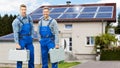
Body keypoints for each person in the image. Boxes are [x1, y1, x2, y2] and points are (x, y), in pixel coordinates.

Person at [12, 4, 34, 68]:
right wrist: (17, 43)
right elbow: (15, 33)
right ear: (20, 10)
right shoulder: (16, 21)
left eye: (25, 9)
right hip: (21, 40)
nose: (24, 11)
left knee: (31, 56)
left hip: (29, 39)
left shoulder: (29, 18)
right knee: (19, 57)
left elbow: (32, 27)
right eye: (22, 10)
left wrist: (32, 36)